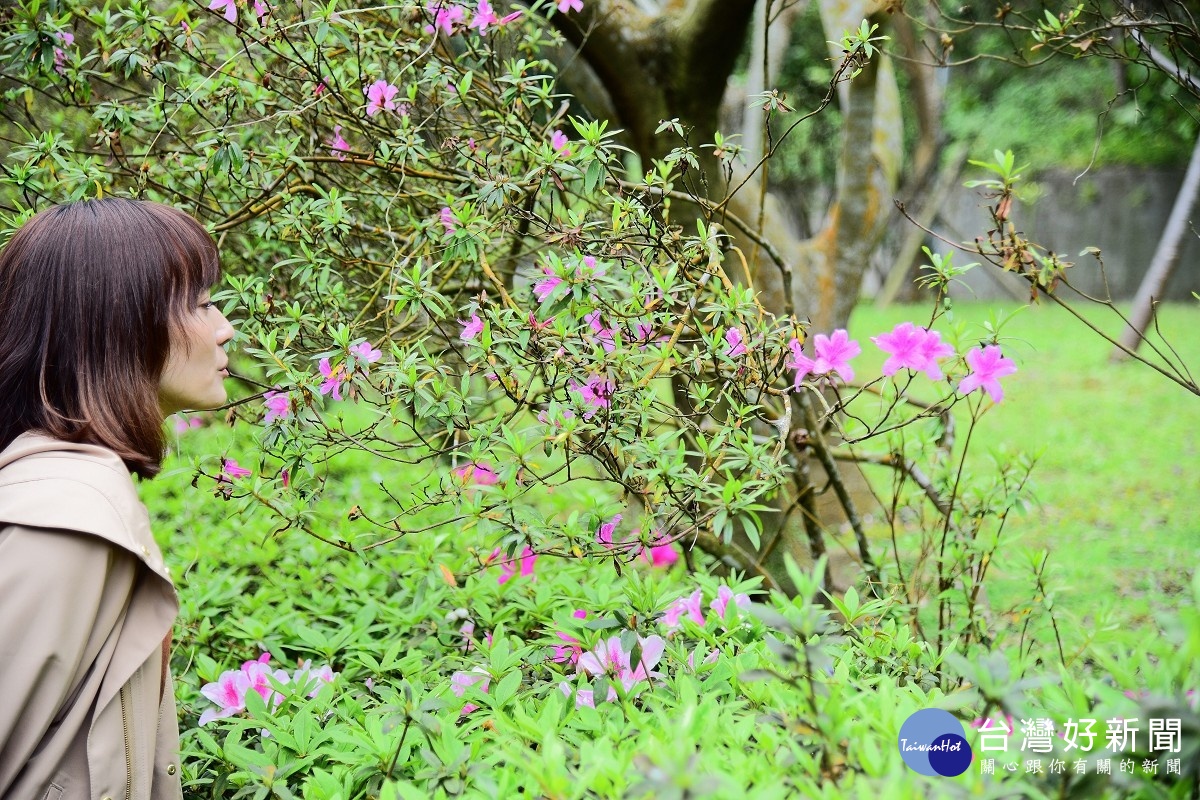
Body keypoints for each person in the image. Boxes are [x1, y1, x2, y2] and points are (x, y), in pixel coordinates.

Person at [0, 198, 235, 799]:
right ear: (120, 324)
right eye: (202, 304)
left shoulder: (77, 487)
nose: (223, 327)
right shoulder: (66, 518)